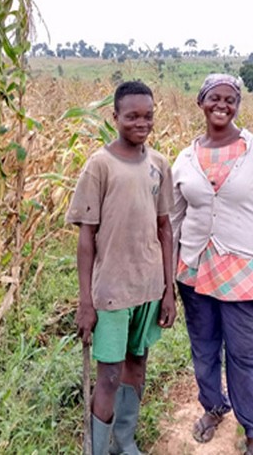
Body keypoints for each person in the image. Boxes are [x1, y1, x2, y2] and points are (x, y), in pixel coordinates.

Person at [170, 73, 253, 455]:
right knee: (204, 349)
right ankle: (213, 407)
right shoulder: (185, 159)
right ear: (201, 102)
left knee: (246, 356)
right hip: (193, 271)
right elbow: (173, 221)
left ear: (237, 105)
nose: (222, 105)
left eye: (230, 99)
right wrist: (166, 278)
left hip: (243, 277)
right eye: (214, 98)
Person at [66, 80, 176, 454]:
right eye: (131, 116)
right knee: (109, 375)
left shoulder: (159, 165)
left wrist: (169, 292)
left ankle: (123, 444)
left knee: (137, 364)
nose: (141, 123)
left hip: (149, 287)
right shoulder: (99, 166)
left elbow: (164, 228)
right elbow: (86, 238)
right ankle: (98, 449)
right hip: (111, 291)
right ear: (115, 117)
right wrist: (85, 301)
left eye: (147, 116)